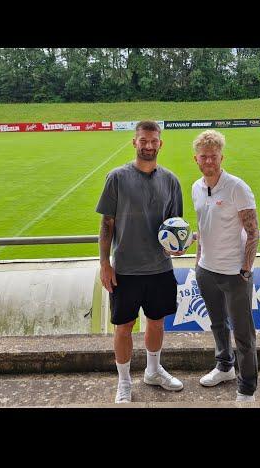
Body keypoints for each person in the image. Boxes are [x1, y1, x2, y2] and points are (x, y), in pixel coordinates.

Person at [96, 120, 189, 403]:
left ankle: (153, 371)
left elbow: (175, 228)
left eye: (153, 141)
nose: (148, 145)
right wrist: (104, 263)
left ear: (160, 144)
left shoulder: (171, 181)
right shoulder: (117, 178)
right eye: (143, 141)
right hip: (125, 269)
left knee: (157, 323)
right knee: (123, 327)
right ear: (134, 143)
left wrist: (179, 248)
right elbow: (106, 224)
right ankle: (124, 382)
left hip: (160, 269)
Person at [191, 129, 260, 402]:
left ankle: (247, 389)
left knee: (243, 334)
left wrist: (245, 269)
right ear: (196, 159)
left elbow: (253, 231)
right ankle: (224, 367)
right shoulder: (196, 187)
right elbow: (201, 227)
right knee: (218, 325)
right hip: (206, 270)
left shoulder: (236, 187)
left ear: (222, 157)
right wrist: (198, 263)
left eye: (214, 156)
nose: (209, 161)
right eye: (204, 156)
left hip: (234, 273)